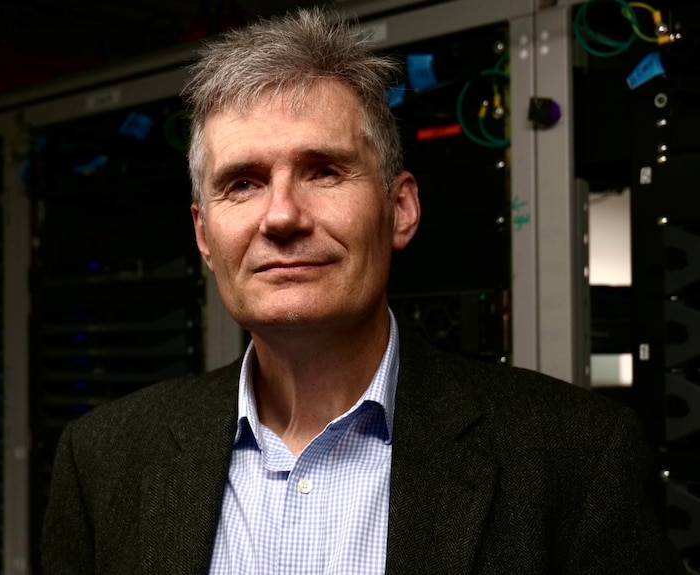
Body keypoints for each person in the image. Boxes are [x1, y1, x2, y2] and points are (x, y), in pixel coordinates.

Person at [41, 8, 685, 574]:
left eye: (323, 171)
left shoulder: (574, 457)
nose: (282, 216)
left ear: (400, 209)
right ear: (205, 235)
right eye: (242, 183)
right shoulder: (104, 461)